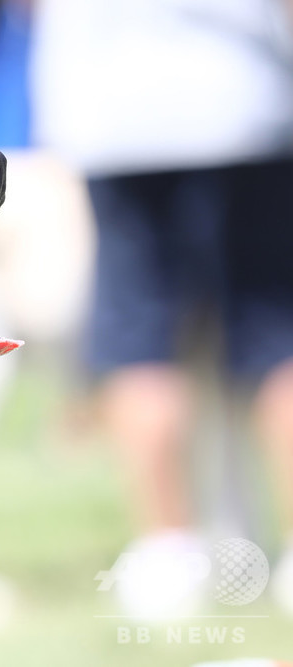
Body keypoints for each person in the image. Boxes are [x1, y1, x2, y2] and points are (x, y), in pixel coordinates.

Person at [30, 0, 293, 617]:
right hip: (244, 99)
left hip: (113, 116)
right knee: (279, 336)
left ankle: (168, 557)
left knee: (138, 341)